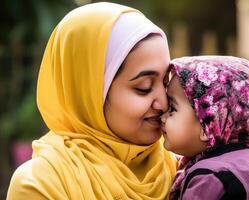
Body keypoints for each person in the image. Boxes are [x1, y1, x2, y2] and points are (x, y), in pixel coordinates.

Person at [6, 2, 177, 199]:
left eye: (166, 83)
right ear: (89, 91)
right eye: (144, 87)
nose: (164, 103)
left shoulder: (181, 167)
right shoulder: (42, 183)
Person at [161, 56, 249, 199]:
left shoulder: (209, 178)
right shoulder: (243, 169)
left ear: (206, 127)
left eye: (172, 109)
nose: (162, 116)